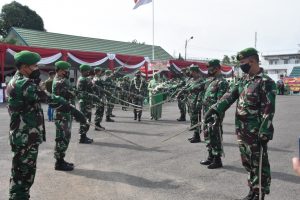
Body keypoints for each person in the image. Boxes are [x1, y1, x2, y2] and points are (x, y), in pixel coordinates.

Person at [6, 51, 87, 199]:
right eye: (34, 66)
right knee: (25, 174)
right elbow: (50, 99)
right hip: (26, 136)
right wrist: (73, 110)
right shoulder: (24, 84)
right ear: (24, 67)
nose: (37, 68)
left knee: (19, 172)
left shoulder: (15, 81)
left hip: (21, 134)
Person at [204, 48, 276, 200]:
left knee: (259, 162)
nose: (241, 66)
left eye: (243, 63)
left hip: (256, 131)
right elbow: (229, 96)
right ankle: (252, 189)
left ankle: (260, 192)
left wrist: (265, 130)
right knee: (247, 161)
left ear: (253, 61)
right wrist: (215, 109)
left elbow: (268, 109)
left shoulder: (265, 82)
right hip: (242, 130)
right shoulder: (243, 80)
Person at [200, 59, 228, 167]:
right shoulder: (211, 81)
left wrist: (216, 114)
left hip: (215, 114)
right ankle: (210, 156)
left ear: (216, 68)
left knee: (215, 135)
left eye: (210, 68)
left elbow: (221, 101)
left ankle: (217, 159)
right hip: (207, 112)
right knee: (207, 134)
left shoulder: (222, 82)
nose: (208, 70)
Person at [52, 61, 76, 171]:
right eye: (65, 70)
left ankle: (61, 160)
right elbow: (69, 94)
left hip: (65, 113)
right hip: (62, 114)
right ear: (60, 70)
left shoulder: (62, 81)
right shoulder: (59, 82)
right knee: (62, 138)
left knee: (65, 137)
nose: (67, 72)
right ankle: (59, 163)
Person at [77, 64, 95, 144]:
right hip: (84, 103)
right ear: (84, 71)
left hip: (86, 102)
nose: (89, 72)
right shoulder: (83, 79)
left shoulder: (84, 79)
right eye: (87, 70)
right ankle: (82, 138)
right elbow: (81, 92)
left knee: (86, 120)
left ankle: (84, 136)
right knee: (85, 121)